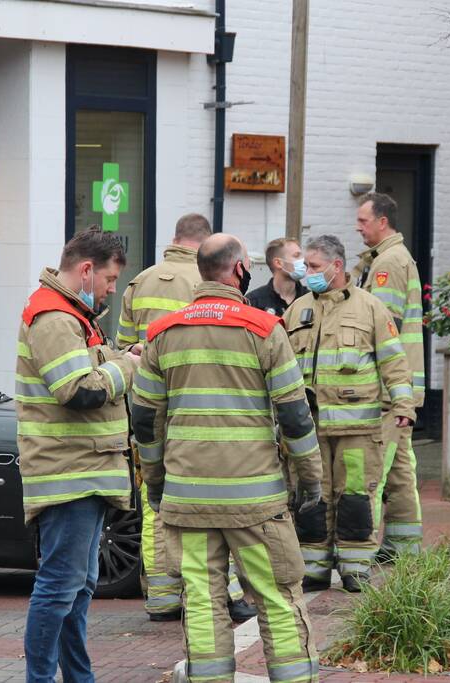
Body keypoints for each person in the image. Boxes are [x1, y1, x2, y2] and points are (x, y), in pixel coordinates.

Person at [132, 233, 323, 683]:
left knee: (201, 599)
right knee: (276, 595)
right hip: (255, 505)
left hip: (188, 501)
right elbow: (295, 418)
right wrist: (310, 480)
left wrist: (156, 483)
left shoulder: (162, 334)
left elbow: (145, 421)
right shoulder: (264, 330)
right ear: (239, 270)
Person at [116, 213, 255, 623]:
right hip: (199, 410)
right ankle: (223, 594)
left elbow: (128, 351)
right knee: (211, 511)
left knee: (154, 507)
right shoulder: (202, 284)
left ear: (175, 238)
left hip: (149, 413)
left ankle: (160, 595)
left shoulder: (139, 282)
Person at [15, 226, 139, 683]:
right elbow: (77, 391)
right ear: (86, 270)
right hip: (70, 475)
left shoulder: (74, 316)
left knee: (77, 587)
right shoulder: (54, 318)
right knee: (59, 588)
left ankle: (78, 677)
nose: (112, 289)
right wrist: (127, 365)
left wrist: (115, 357)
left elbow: (88, 370)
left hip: (83, 472)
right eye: (109, 279)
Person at [284, 234, 415, 593]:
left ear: (336, 266)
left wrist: (404, 406)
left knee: (355, 498)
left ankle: (355, 569)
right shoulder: (296, 311)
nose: (307, 273)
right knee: (312, 500)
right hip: (310, 429)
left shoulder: (370, 308)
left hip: (358, 428)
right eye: (306, 266)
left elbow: (394, 362)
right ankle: (314, 569)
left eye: (313, 266)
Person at [350, 192, 426, 561]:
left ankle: (360, 553)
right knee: (399, 472)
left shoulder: (388, 263)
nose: (357, 227)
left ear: (383, 222)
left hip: (385, 388)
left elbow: (382, 326)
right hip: (399, 388)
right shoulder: (389, 258)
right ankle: (403, 546)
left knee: (374, 471)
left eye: (363, 221)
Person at [247, 237, 308, 317]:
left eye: (302, 256)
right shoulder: (254, 301)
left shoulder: (311, 299)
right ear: (278, 263)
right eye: (296, 256)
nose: (303, 261)